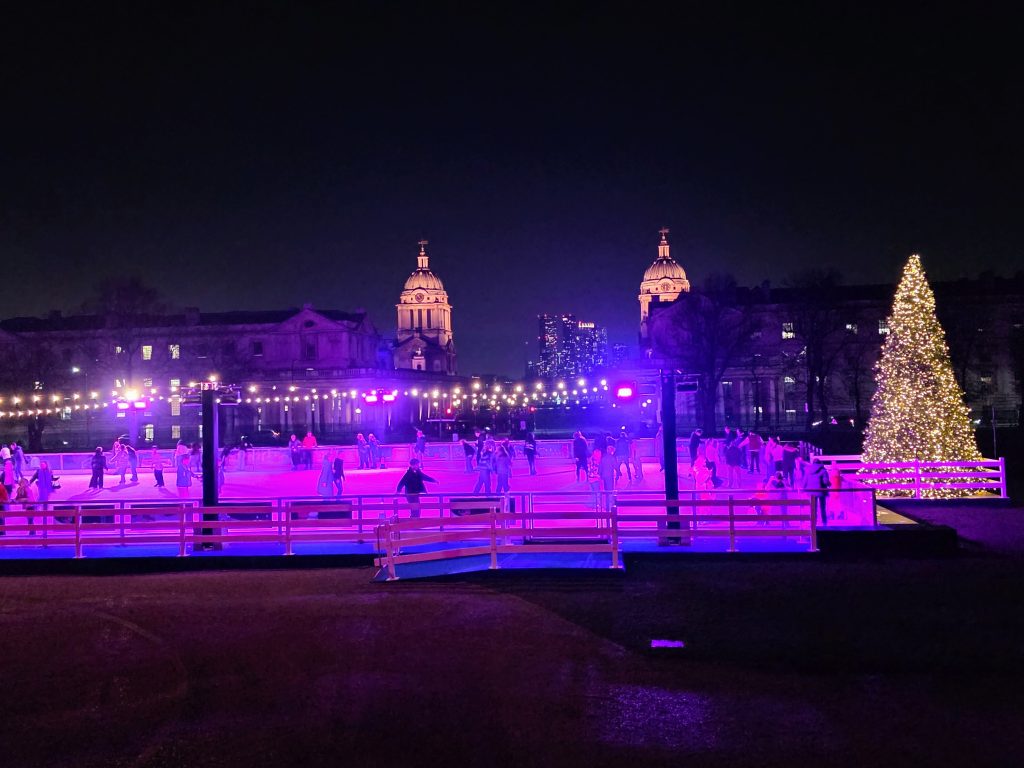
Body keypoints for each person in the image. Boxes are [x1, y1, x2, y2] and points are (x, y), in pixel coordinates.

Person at [800, 459, 831, 524]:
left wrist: (803, 488)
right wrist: (829, 484)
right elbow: (825, 482)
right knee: (823, 508)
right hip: (821, 491)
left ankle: (814, 523)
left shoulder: (808, 470)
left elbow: (804, 481)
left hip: (811, 492)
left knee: (813, 508)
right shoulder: (823, 471)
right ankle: (824, 523)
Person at [598, 445, 617, 511]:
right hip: (609, 476)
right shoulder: (612, 458)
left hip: (604, 475)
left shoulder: (604, 458)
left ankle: (606, 504)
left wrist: (600, 474)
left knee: (606, 491)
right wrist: (618, 472)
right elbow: (615, 466)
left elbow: (600, 466)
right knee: (610, 490)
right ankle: (610, 504)